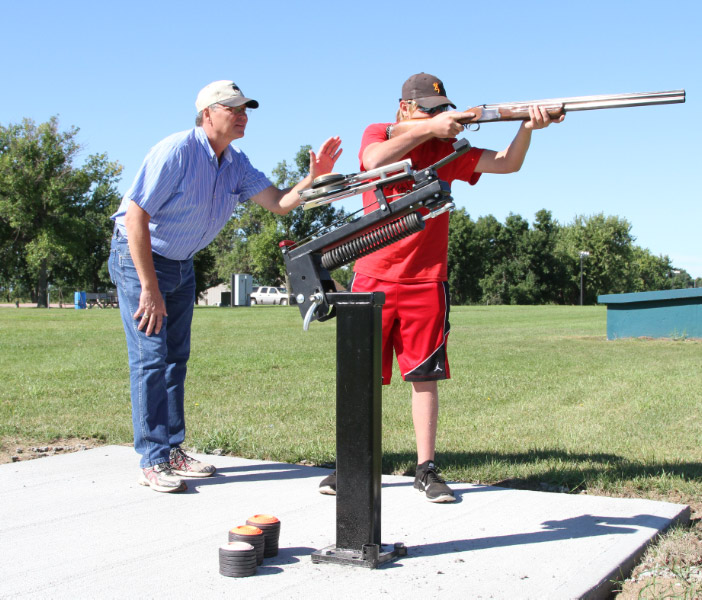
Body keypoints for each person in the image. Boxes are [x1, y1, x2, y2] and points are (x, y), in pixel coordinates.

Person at [318, 73, 561, 502]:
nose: (438, 116)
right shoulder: (379, 131)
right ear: (404, 109)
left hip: (426, 280)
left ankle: (426, 469)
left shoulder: (450, 150)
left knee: (424, 379)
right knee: (362, 377)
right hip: (373, 276)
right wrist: (429, 128)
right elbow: (373, 159)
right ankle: (353, 462)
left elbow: (507, 163)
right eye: (428, 110)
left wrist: (527, 127)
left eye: (442, 109)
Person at [110, 80, 342, 493]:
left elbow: (278, 203)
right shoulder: (177, 151)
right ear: (206, 115)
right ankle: (153, 459)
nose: (242, 115)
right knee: (150, 356)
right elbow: (134, 218)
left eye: (245, 109)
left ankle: (173, 449)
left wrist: (312, 176)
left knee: (175, 358)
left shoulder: (235, 162)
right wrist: (149, 287)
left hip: (181, 264)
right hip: (141, 260)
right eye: (232, 108)